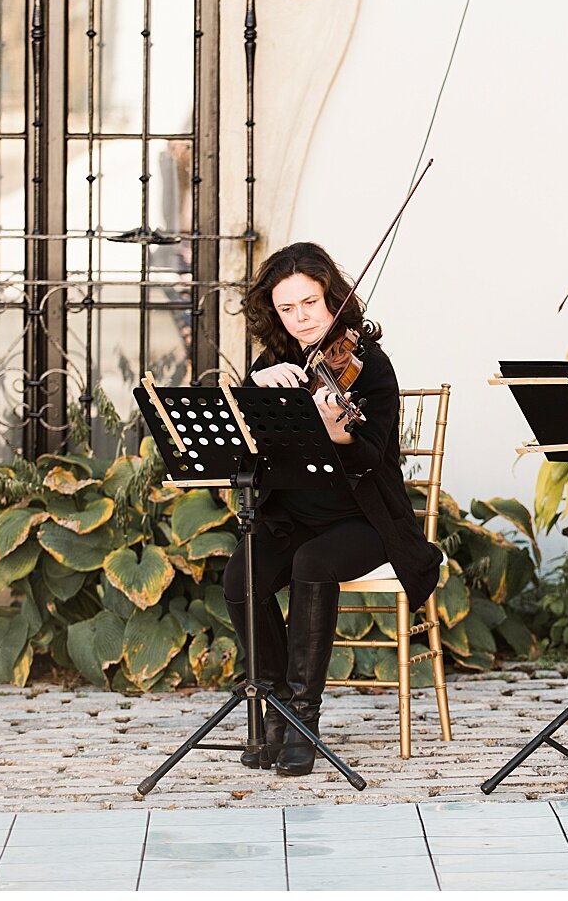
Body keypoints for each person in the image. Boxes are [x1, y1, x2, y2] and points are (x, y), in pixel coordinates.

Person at [225, 241, 441, 776]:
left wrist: (340, 434)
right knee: (240, 578)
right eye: (287, 308)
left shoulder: (370, 368)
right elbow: (245, 444)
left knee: (312, 564)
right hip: (292, 517)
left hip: (363, 522)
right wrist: (254, 389)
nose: (301, 319)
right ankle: (272, 707)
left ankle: (302, 717)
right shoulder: (274, 362)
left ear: (332, 300)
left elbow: (378, 456)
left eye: (311, 304)